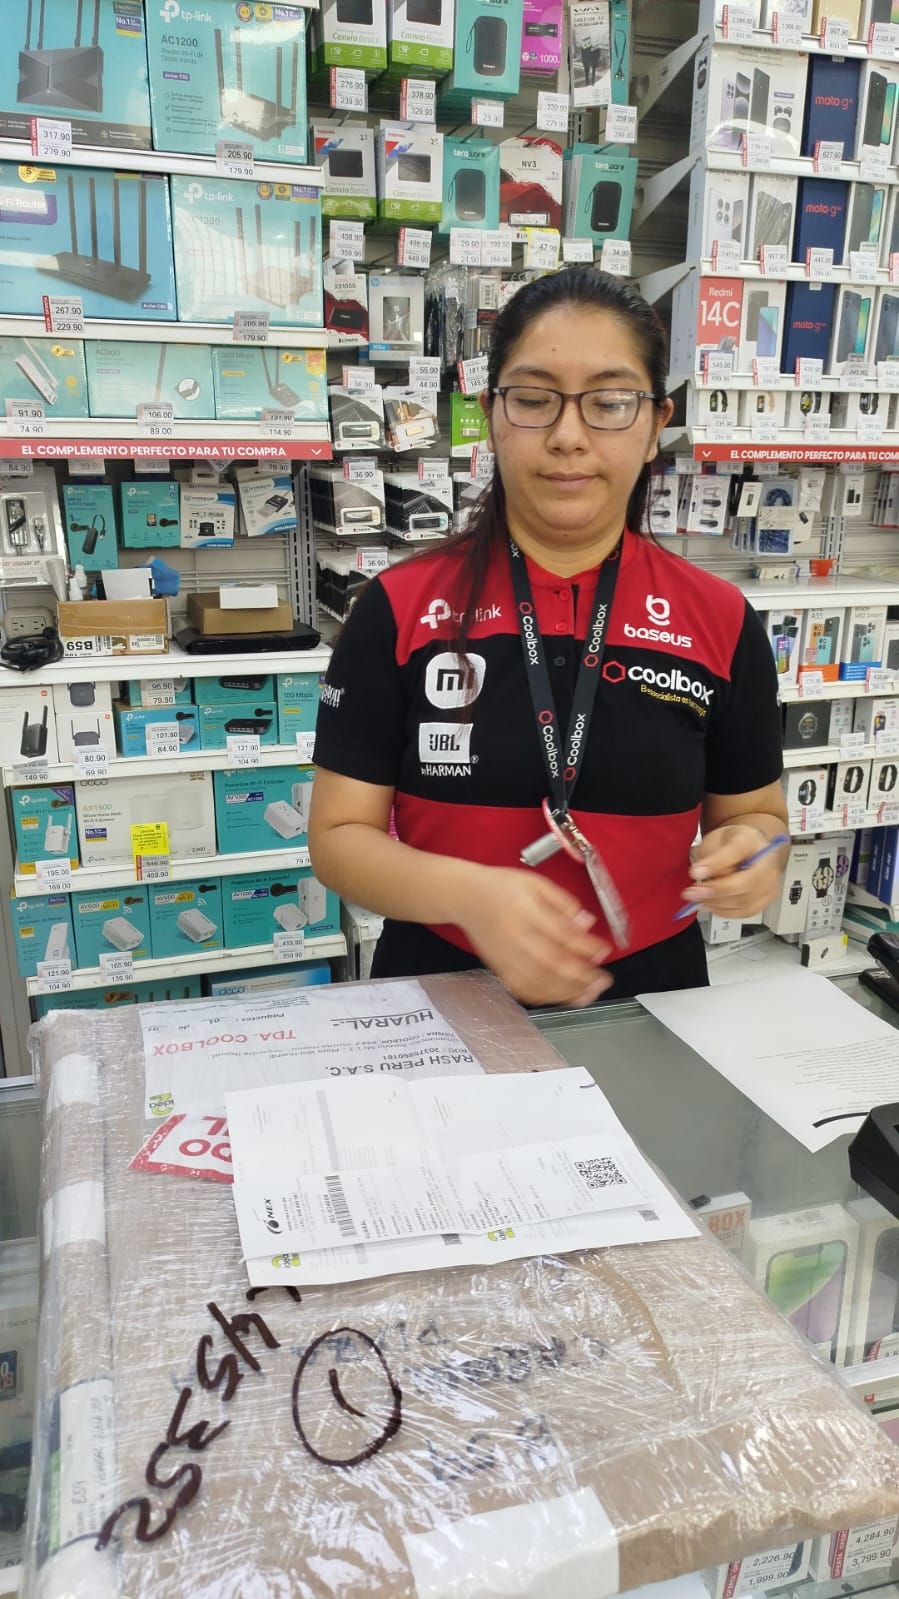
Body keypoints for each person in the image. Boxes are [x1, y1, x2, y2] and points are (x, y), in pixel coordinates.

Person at [309, 267, 788, 1008]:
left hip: (651, 995)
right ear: (490, 414)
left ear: (656, 423)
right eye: (534, 400)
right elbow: (338, 838)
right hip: (439, 987)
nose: (568, 437)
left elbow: (759, 816)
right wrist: (470, 895)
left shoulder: (719, 619)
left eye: (609, 403)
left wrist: (755, 852)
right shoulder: (399, 608)